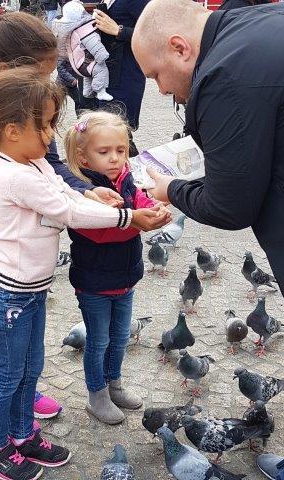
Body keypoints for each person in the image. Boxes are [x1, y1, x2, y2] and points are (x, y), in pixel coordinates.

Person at [0, 68, 170, 480]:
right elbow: (69, 212)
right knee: (7, 375)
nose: (50, 135)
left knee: (30, 368)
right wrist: (128, 215)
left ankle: (22, 436)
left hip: (31, 292)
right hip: (8, 296)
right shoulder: (15, 173)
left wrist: (90, 190)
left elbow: (65, 194)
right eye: (44, 126)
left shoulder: (34, 163)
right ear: (11, 130)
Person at [0, 12, 127, 420]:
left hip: (22, 231)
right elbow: (45, 187)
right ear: (11, 72)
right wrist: (116, 215)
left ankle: (20, 392)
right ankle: (2, 397)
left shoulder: (26, 109)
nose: (49, 81)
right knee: (4, 325)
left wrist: (86, 188)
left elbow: (50, 168)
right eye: (43, 72)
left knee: (22, 326)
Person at [132, 0, 284, 296]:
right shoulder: (263, 20)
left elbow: (230, 208)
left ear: (179, 48)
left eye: (155, 75)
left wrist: (171, 189)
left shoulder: (221, 77)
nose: (161, 90)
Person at [64, 110, 171, 424]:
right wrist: (136, 222)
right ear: (83, 158)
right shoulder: (82, 191)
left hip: (126, 277)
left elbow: (139, 197)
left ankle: (115, 384)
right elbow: (97, 230)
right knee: (98, 340)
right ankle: (96, 395)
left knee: (121, 335)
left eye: (121, 151)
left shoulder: (125, 179)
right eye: (104, 152)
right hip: (94, 282)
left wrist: (156, 209)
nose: (115, 158)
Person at [92, 0, 150, 156]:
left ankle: (135, 171)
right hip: (103, 75)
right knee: (110, 132)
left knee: (115, 132)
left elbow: (154, 34)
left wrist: (119, 30)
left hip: (125, 76)